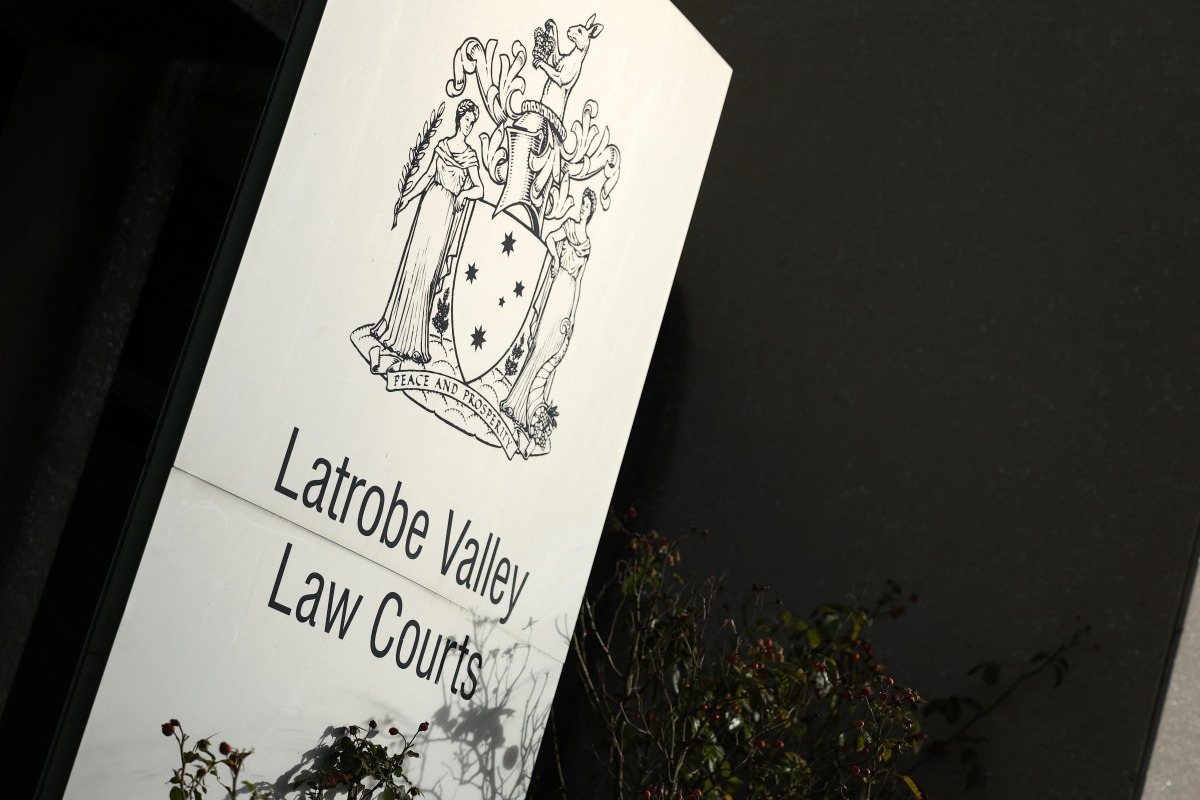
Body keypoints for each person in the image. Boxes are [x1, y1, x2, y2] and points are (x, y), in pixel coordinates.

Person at [373, 99, 483, 368]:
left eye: (472, 123)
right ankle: (395, 330)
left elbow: (479, 188)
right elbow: (426, 177)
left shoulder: (470, 156)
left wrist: (463, 193)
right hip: (428, 206)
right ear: (459, 119)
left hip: (446, 214)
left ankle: (414, 341)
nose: (469, 126)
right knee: (412, 266)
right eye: (466, 121)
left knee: (428, 275)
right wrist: (408, 196)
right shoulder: (443, 146)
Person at [502, 187, 595, 452]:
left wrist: (573, 314)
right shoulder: (569, 226)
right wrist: (555, 256)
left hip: (567, 296)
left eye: (587, 207)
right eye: (582, 205)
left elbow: (579, 281)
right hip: (556, 288)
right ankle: (515, 403)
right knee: (539, 345)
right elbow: (551, 238)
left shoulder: (587, 244)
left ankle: (527, 410)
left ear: (591, 212)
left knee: (550, 351)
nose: (582, 209)